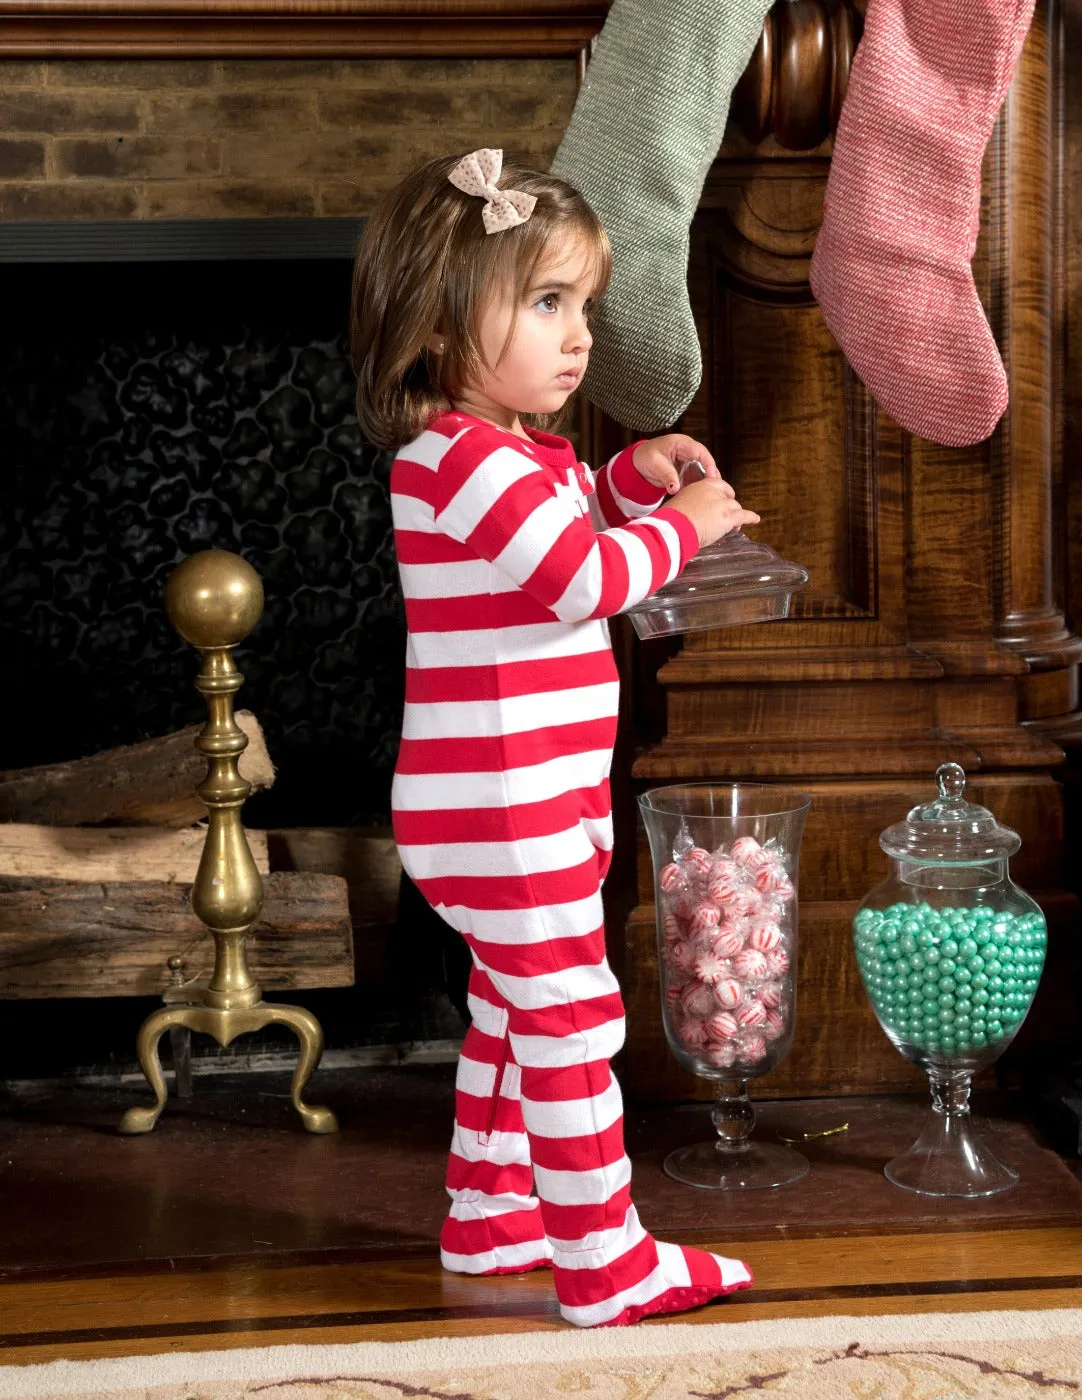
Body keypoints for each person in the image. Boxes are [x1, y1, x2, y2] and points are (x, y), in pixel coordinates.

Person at [351, 146, 759, 1328]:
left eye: (582, 303)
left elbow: (570, 518)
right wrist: (679, 527)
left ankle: (490, 1211)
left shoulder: (513, 453)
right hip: (499, 801)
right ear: (434, 325)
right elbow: (578, 575)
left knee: (511, 1004)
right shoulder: (453, 456)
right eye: (544, 304)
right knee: (573, 1012)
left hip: (528, 797)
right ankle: (605, 1255)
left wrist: (630, 475)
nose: (578, 335)